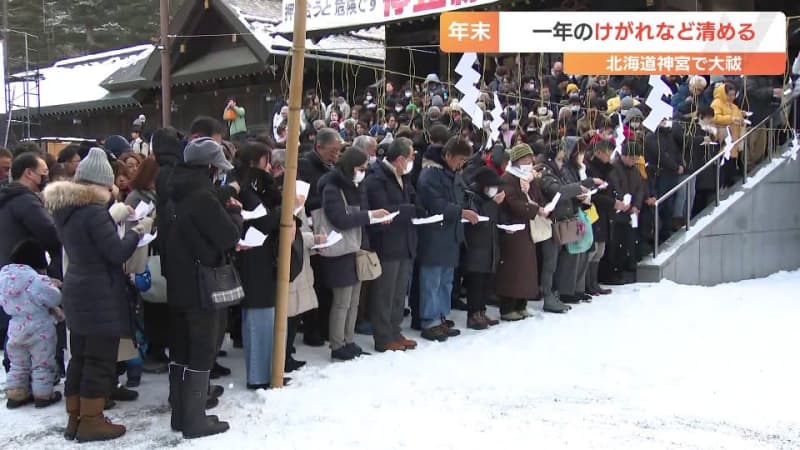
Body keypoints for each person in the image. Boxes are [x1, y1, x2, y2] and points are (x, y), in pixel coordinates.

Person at [43, 148, 150, 442]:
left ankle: (75, 418)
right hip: (99, 292)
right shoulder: (93, 212)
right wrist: (137, 232)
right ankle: (92, 419)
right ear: (99, 184)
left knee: (79, 356)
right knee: (99, 360)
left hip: (78, 288)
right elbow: (115, 253)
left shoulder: (67, 209)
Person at [164, 137, 241, 439]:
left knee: (181, 348)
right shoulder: (203, 197)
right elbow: (228, 236)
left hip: (179, 283)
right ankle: (195, 420)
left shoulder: (172, 192)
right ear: (209, 166)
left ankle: (181, 416)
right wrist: (234, 214)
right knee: (203, 349)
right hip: (202, 286)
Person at [317, 148, 389, 360]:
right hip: (339, 249)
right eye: (360, 168)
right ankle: (338, 344)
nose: (363, 172)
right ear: (350, 167)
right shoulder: (332, 187)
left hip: (355, 246)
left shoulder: (356, 185)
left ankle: (349, 340)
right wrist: (368, 215)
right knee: (342, 301)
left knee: (354, 300)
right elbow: (339, 219)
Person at [233, 143, 285, 389]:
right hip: (252, 257)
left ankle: (264, 371)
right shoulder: (243, 189)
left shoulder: (257, 186)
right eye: (266, 161)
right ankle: (258, 375)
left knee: (263, 317)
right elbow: (262, 222)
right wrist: (284, 212)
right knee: (258, 319)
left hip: (261, 256)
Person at [416, 136, 475, 342]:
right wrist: (461, 212)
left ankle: (441, 316)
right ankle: (429, 320)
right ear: (448, 155)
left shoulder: (453, 174)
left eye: (464, 161)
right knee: (432, 280)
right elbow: (435, 203)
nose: (461, 165)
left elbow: (462, 196)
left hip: (451, 234)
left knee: (447, 281)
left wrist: (468, 208)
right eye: (459, 160)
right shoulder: (430, 174)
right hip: (434, 234)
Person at [363, 137, 419, 352]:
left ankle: (395, 331)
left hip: (404, 240)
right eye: (411, 156)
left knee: (398, 293)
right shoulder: (376, 178)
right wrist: (409, 209)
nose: (413, 160)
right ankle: (383, 337)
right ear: (400, 159)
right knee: (384, 294)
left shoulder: (403, 176)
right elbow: (384, 208)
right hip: (386, 242)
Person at [0, 240, 63, 409]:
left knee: (18, 363)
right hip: (39, 328)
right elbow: (54, 298)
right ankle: (43, 395)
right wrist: (51, 284)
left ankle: (16, 394)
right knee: (42, 363)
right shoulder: (36, 279)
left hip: (15, 328)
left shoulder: (3, 277)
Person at [539, 138, 598, 305]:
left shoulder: (560, 170)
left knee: (562, 260)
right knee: (551, 264)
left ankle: (559, 293)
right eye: (559, 157)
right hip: (551, 222)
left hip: (563, 220)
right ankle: (550, 296)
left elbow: (568, 188)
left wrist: (583, 187)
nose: (562, 160)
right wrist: (578, 188)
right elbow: (557, 191)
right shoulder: (546, 171)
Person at [298, 128, 343, 347]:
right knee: (314, 283)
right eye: (333, 151)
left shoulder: (332, 166)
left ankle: (324, 327)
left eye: (339, 151)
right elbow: (301, 199)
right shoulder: (304, 166)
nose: (336, 155)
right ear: (319, 147)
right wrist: (328, 200)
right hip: (310, 228)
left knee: (326, 283)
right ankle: (311, 329)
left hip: (329, 229)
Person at [497, 144, 550, 317]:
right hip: (513, 228)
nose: (529, 162)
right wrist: (534, 209)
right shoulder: (507, 178)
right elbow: (512, 202)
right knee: (513, 270)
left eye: (530, 159)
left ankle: (521, 304)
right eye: (525, 159)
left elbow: (536, 197)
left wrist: (533, 195)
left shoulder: (528, 178)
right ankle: (508, 307)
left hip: (528, 229)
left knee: (526, 269)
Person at [461, 166, 504, 328]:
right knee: (476, 283)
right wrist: (494, 204)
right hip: (476, 247)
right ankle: (473, 314)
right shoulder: (472, 196)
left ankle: (481, 311)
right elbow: (478, 219)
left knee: (486, 282)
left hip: (490, 246)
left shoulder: (487, 198)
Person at [584, 141, 619, 296]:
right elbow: (595, 195)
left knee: (600, 250)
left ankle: (594, 282)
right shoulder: (590, 169)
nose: (609, 158)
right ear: (598, 153)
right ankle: (587, 284)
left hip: (604, 213)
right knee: (593, 249)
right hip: (593, 211)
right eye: (607, 154)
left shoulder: (607, 170)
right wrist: (613, 203)